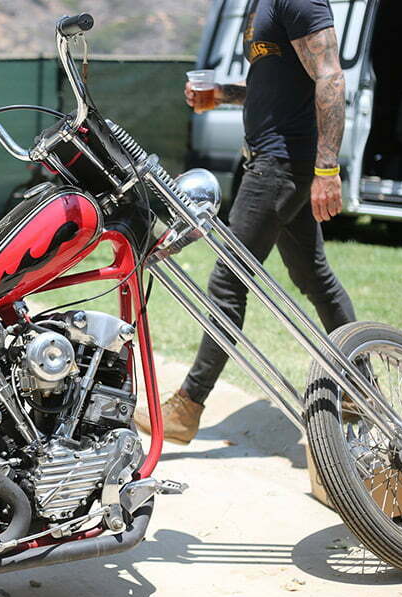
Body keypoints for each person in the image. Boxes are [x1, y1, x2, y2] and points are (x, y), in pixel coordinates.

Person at [142, 0, 356, 444]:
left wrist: (327, 168)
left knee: (228, 278)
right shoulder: (258, 6)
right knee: (313, 275)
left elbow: (330, 75)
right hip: (270, 161)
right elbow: (274, 85)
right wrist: (221, 94)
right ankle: (360, 386)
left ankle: (188, 405)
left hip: (282, 164)